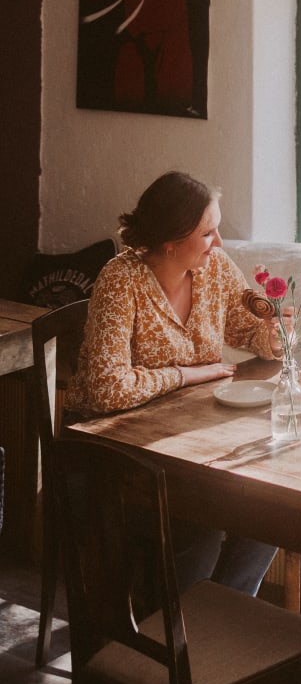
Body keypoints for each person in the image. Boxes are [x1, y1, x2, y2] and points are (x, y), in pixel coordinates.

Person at [66, 170, 284, 596]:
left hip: (184, 443)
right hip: (110, 453)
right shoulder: (121, 279)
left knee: (275, 508)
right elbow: (107, 388)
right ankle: (183, 636)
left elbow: (246, 331)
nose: (218, 243)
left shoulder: (214, 268)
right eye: (207, 233)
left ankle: (221, 619)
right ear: (172, 240)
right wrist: (187, 375)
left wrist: (273, 336)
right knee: (200, 524)